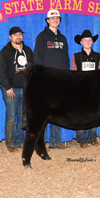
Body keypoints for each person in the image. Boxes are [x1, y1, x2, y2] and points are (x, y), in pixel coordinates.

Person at [34, 9, 70, 149]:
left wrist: (66, 77)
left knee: (57, 112)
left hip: (60, 81)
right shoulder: (41, 37)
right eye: (52, 18)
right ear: (47, 20)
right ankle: (40, 142)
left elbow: (66, 59)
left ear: (59, 21)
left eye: (57, 18)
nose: (55, 20)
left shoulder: (63, 38)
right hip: (46, 82)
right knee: (42, 113)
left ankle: (55, 141)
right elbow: (37, 58)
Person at [0, 27, 34, 152]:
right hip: (11, 89)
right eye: (15, 34)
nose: (18, 36)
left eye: (20, 34)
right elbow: (0, 72)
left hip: (26, 89)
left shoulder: (28, 50)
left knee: (23, 117)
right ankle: (10, 143)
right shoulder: (5, 52)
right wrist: (7, 87)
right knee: (11, 117)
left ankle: (19, 141)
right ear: (10, 37)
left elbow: (32, 70)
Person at [71, 30, 100, 148]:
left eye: (90, 40)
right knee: (80, 114)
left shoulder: (98, 56)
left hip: (94, 89)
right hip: (80, 90)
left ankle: (92, 137)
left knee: (94, 114)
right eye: (85, 40)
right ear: (81, 42)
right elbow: (73, 73)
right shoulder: (76, 56)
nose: (87, 42)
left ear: (92, 42)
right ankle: (81, 139)